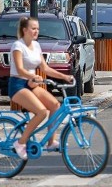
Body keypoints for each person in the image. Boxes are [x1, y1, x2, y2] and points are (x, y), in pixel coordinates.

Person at [9, 16, 73, 160]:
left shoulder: (36, 46)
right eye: (33, 28)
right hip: (18, 85)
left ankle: (51, 142)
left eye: (37, 28)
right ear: (25, 30)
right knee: (42, 112)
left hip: (31, 84)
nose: (36, 31)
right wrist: (32, 76)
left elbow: (45, 68)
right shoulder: (18, 46)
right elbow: (19, 69)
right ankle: (20, 143)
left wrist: (64, 77)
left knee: (55, 105)